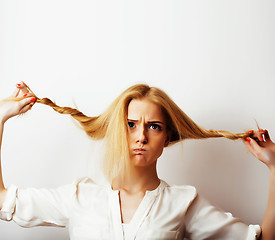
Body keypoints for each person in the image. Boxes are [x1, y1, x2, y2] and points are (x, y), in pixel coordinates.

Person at [0, 82, 274, 240]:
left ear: (167, 138)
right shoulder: (79, 197)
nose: (141, 136)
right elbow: (2, 202)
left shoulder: (183, 203)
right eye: (130, 124)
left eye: (154, 126)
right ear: (117, 130)